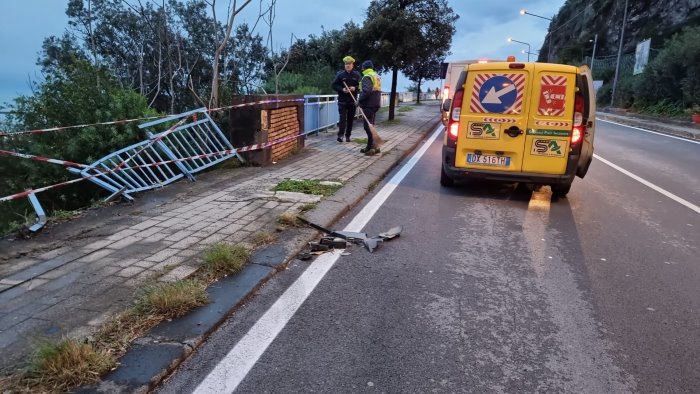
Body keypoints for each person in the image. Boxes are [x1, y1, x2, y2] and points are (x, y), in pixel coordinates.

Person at [331, 55, 361, 142]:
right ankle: (340, 136)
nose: (347, 65)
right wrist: (342, 89)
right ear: (344, 65)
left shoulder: (357, 75)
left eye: (349, 64)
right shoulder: (340, 75)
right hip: (342, 101)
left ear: (352, 65)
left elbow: (360, 86)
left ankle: (348, 136)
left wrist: (355, 88)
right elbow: (334, 85)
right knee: (342, 119)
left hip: (352, 101)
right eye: (346, 64)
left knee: (351, 119)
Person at [357, 60, 382, 155]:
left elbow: (366, 91)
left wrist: (359, 101)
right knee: (370, 125)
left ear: (364, 68)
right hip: (375, 103)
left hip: (368, 104)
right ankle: (370, 147)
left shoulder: (367, 77)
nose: (361, 69)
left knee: (367, 127)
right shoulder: (376, 75)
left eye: (362, 67)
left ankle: (373, 147)